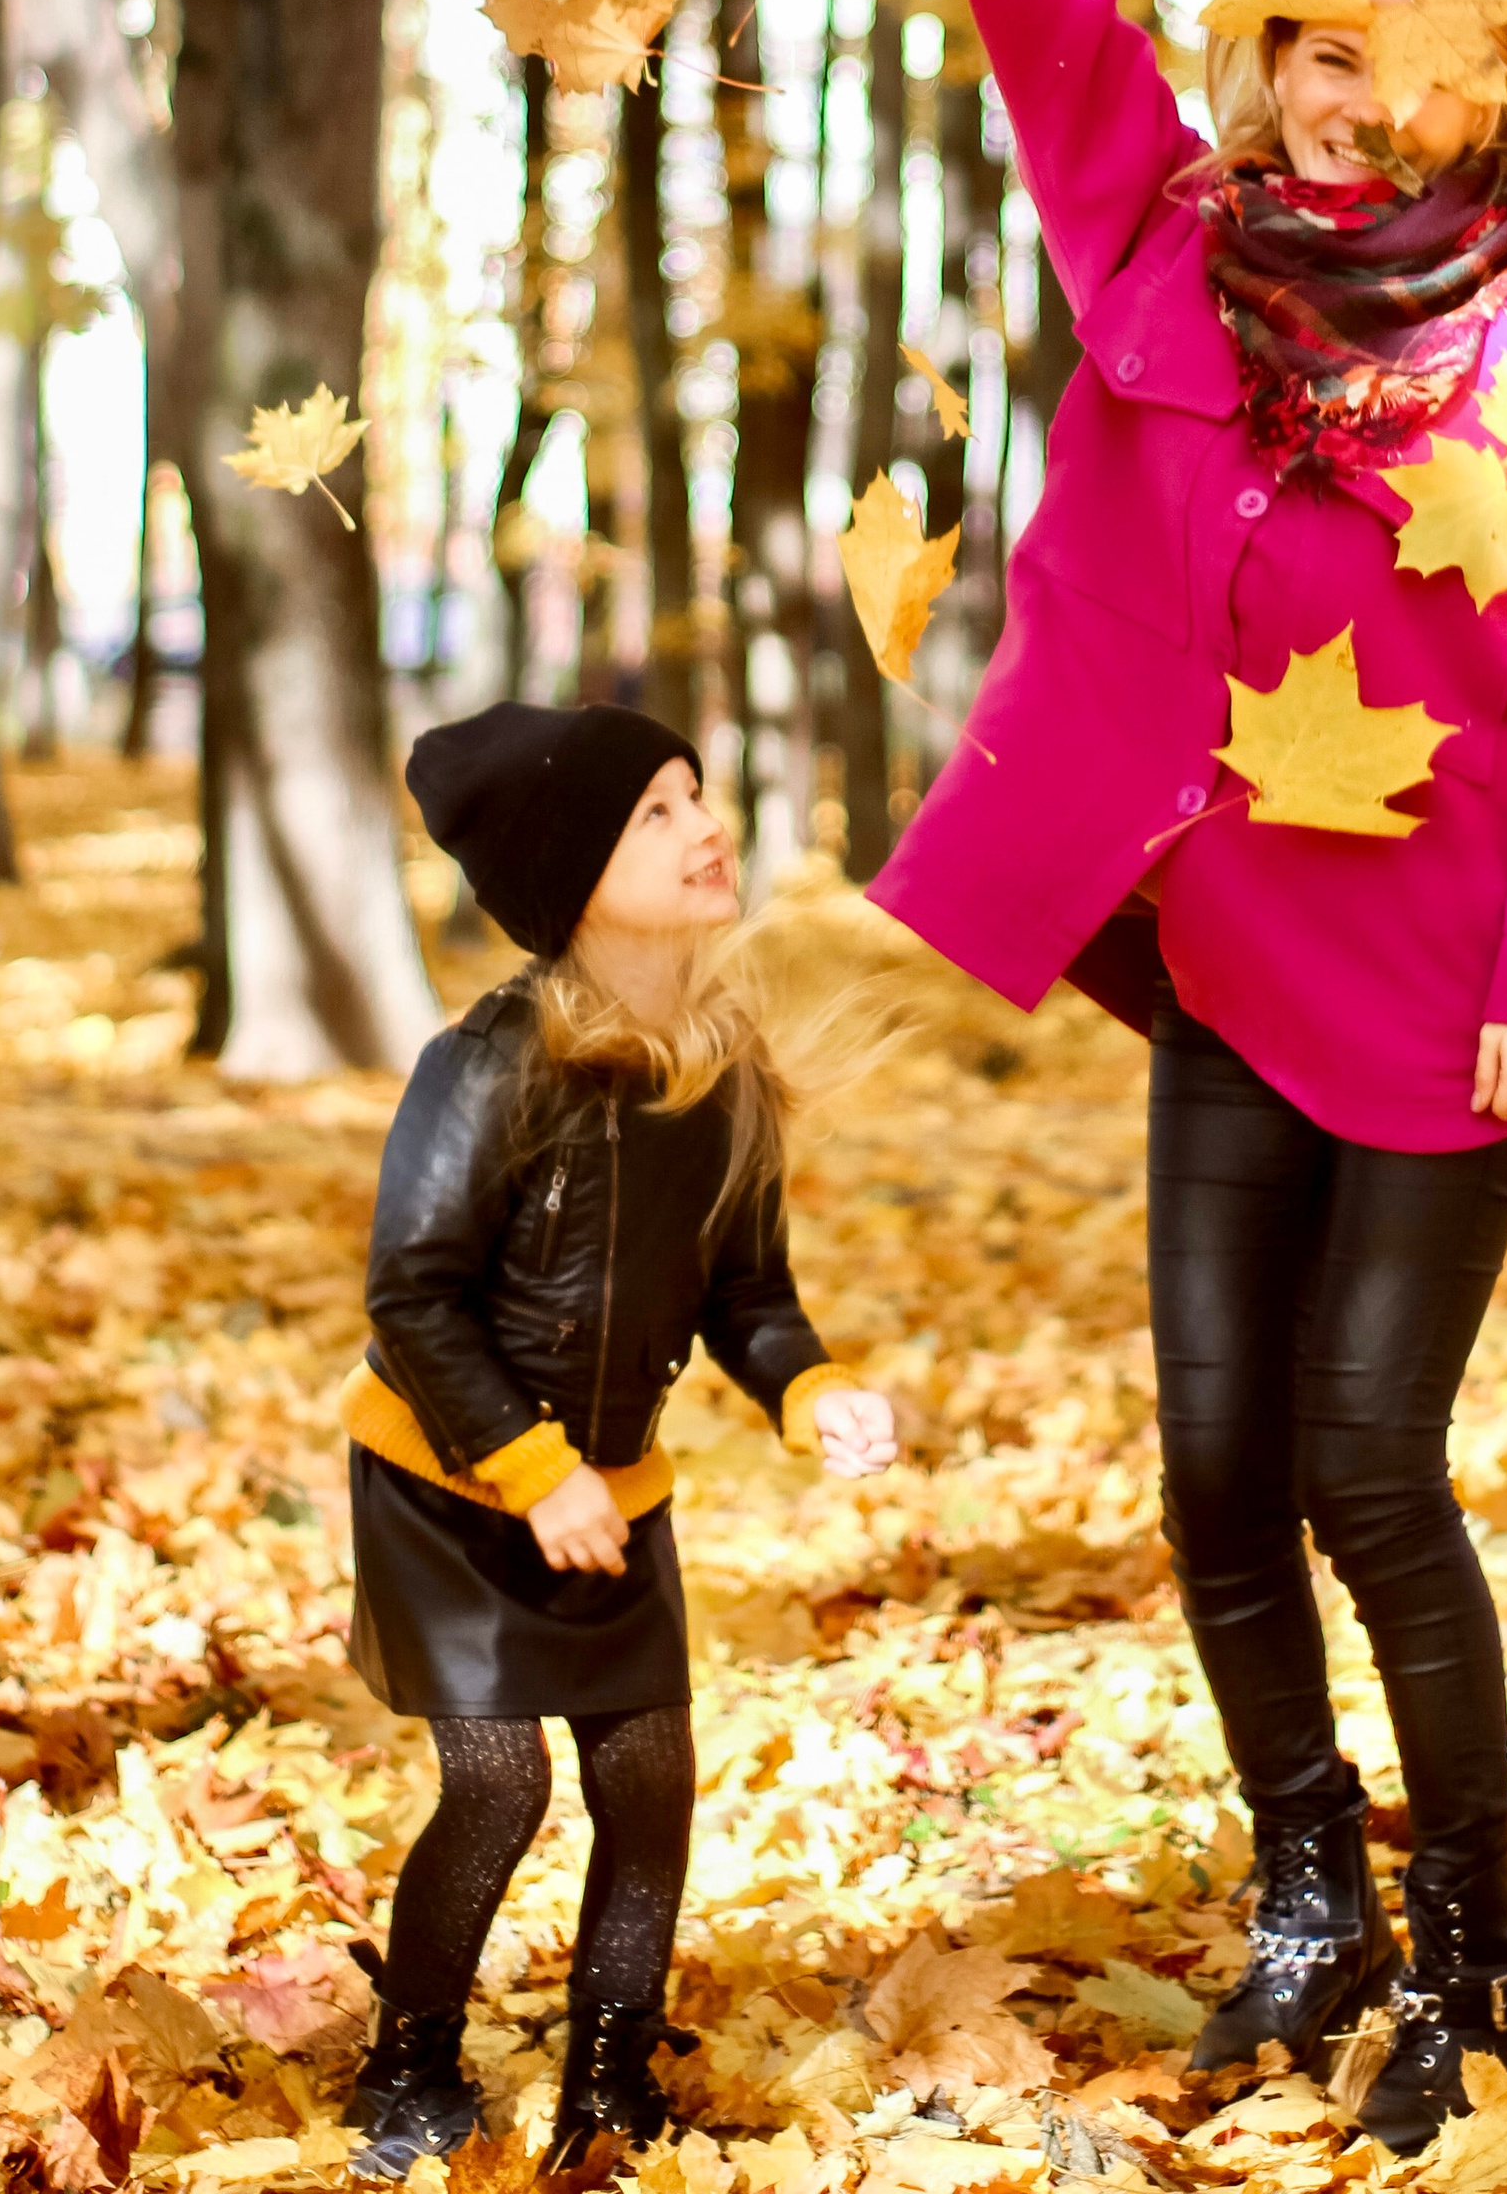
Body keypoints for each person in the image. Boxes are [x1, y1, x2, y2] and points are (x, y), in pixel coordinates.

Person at [870, 0, 1507, 2154]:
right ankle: (1305, 1903)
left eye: (1381, 63)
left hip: (1458, 971)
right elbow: (1045, 11)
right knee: (1218, 1472)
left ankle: (1482, 1932)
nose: (1331, 103)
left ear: (1481, 75)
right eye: (1299, 60)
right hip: (1222, 946)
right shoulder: (1168, 245)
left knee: (1372, 1459)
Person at [339, 701, 896, 2183]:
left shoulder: (721, 1077)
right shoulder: (491, 1066)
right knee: (500, 1784)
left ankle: (610, 2077)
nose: (704, 825)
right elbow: (413, 1293)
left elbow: (750, 1295)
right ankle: (409, 2068)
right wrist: (531, 1466)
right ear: (571, 869)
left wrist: (809, 1387)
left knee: (650, 1778)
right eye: (656, 811)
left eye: (697, 795)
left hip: (612, 1491)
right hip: (447, 1483)